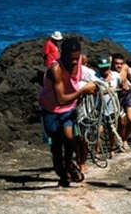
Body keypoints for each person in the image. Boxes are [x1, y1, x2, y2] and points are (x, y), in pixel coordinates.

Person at [39, 37, 96, 187]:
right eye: (72, 59)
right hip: (52, 109)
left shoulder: (79, 61)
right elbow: (61, 99)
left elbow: (91, 79)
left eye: (77, 58)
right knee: (57, 144)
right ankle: (64, 172)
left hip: (69, 108)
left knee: (70, 138)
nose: (75, 62)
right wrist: (83, 90)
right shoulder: (55, 70)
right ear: (62, 55)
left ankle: (69, 164)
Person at [111, 53, 131, 150]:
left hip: (127, 95)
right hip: (116, 97)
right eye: (116, 63)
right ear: (112, 63)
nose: (119, 65)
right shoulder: (109, 71)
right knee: (121, 123)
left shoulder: (125, 67)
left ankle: (125, 139)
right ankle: (118, 141)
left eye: (120, 63)